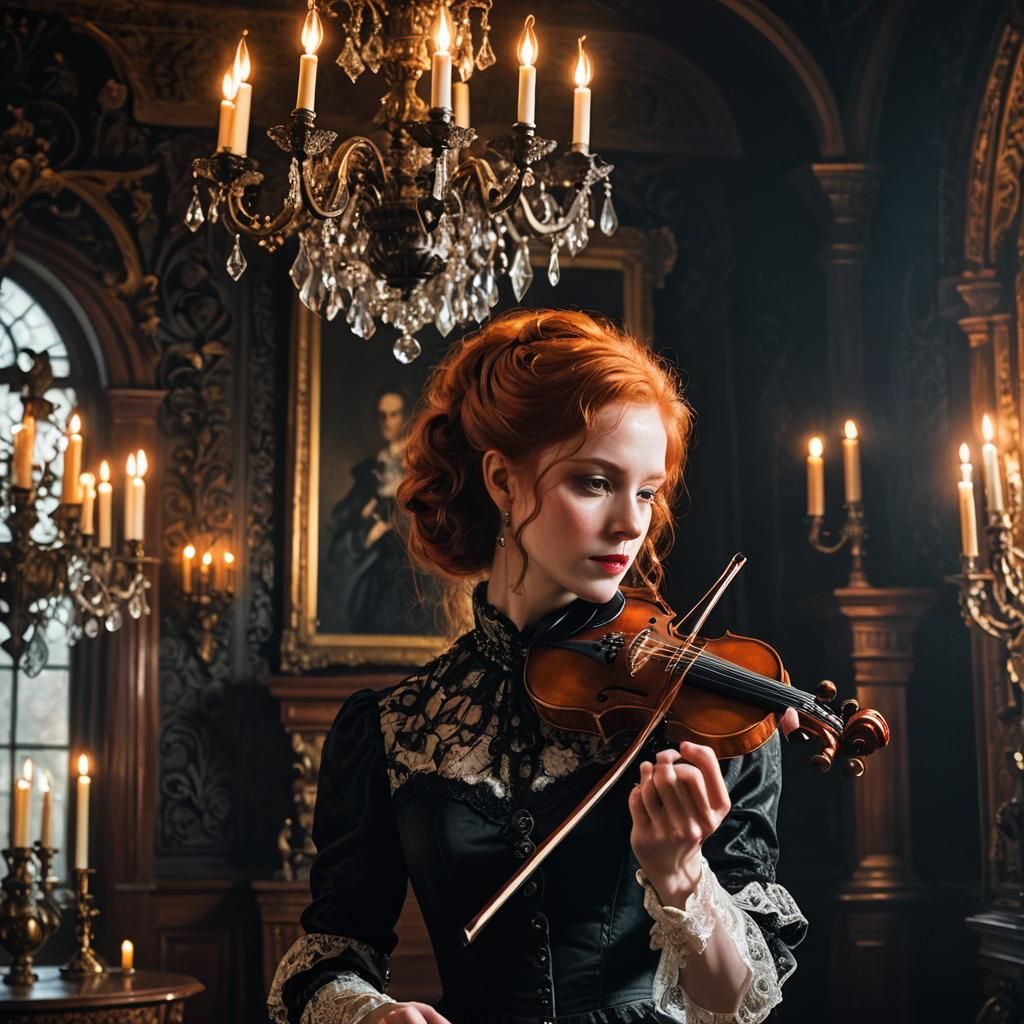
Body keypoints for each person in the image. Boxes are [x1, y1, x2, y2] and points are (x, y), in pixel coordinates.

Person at [268, 309, 807, 1024]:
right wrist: (371, 1015)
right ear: (502, 480)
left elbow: (737, 1005)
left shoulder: (709, 712)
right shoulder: (393, 727)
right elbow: (331, 954)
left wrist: (681, 873)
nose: (631, 523)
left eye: (646, 491)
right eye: (595, 482)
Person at [322, 383, 442, 636]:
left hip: (415, 567)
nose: (387, 422)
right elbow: (344, 519)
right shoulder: (370, 470)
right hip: (379, 568)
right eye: (382, 416)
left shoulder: (423, 465)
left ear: (406, 416)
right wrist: (368, 525)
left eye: (394, 414)